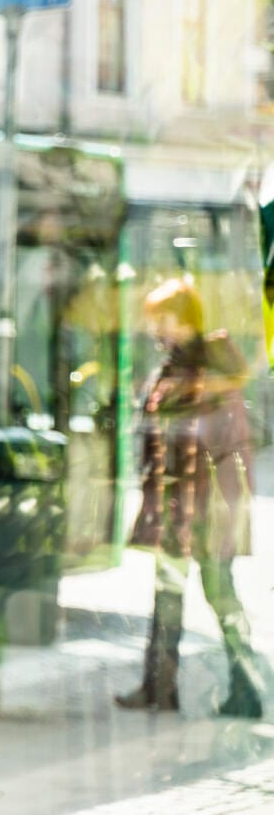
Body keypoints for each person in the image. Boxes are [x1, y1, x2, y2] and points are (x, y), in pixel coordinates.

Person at [116, 278, 264, 718]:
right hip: (177, 508)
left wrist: (223, 515)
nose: (154, 328)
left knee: (219, 596)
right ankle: (159, 688)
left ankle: (246, 688)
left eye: (160, 319)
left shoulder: (210, 368)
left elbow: (227, 447)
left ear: (183, 319)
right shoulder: (173, 368)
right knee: (168, 596)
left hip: (206, 510)